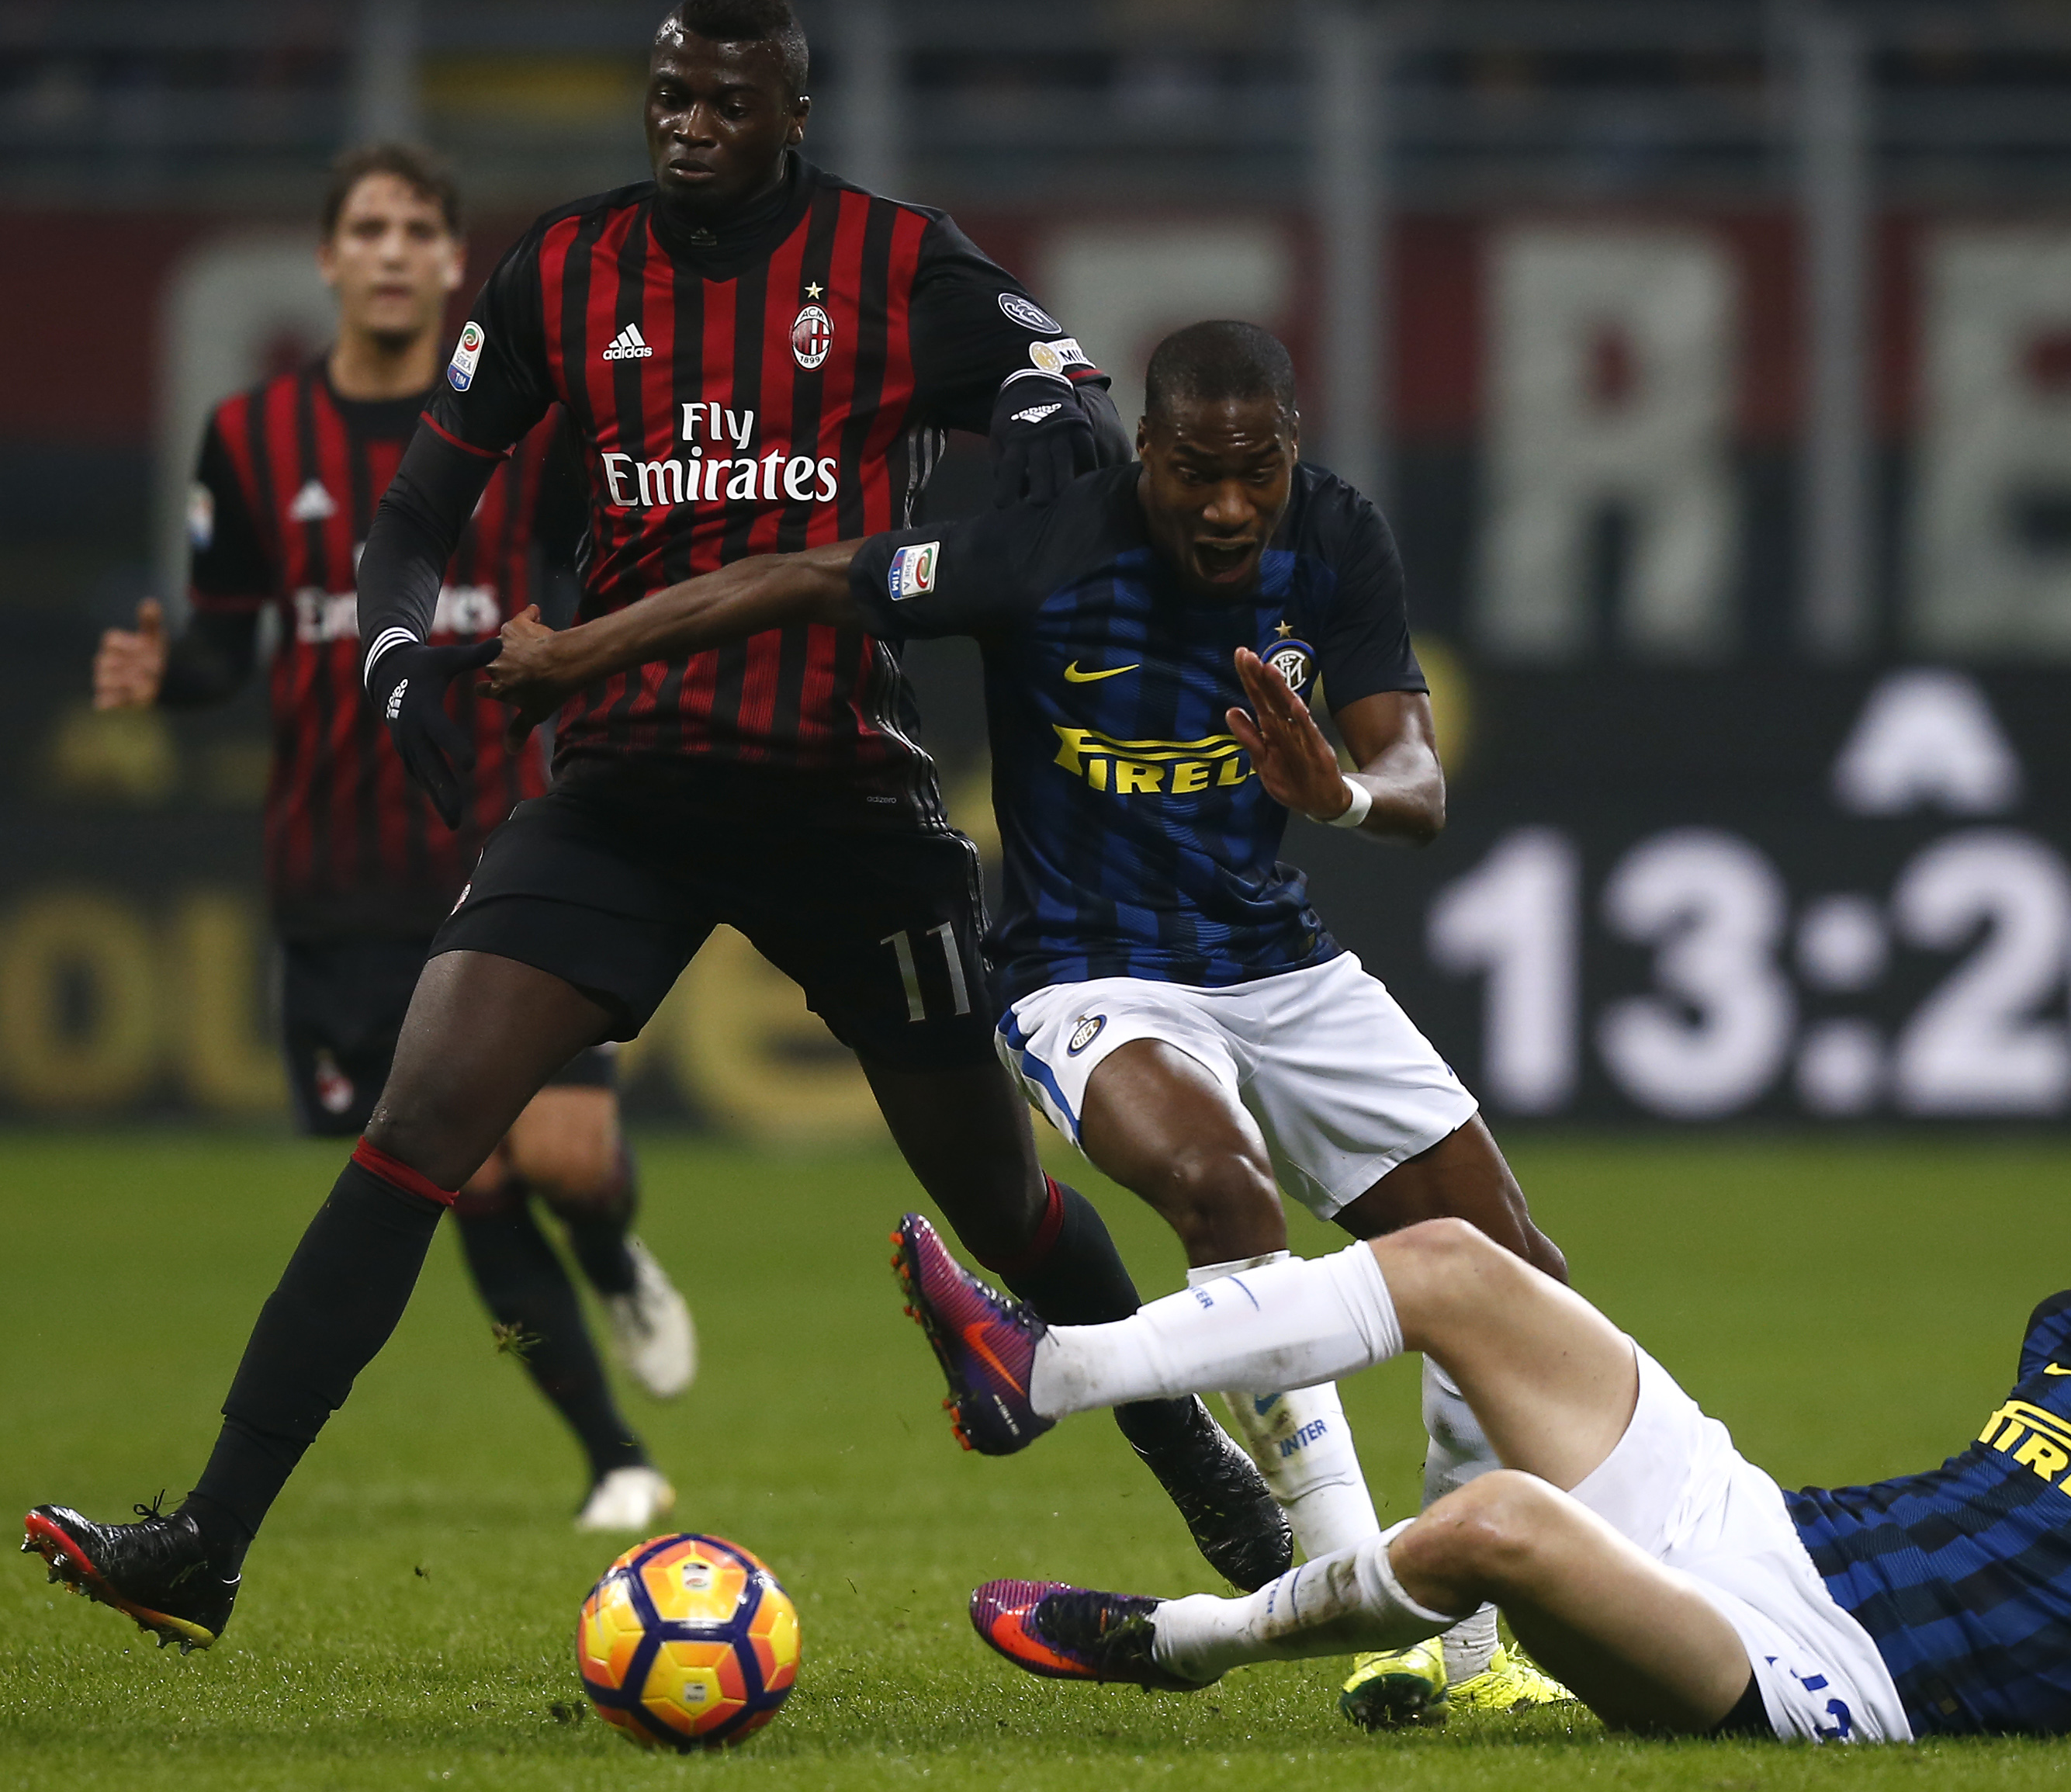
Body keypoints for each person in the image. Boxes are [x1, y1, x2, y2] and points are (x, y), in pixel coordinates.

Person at [21, 0, 1278, 1653]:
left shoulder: (898, 264)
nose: (688, 126)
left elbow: (1063, 382)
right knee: (419, 1128)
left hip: (843, 794)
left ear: (793, 116)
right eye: (669, 97)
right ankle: (210, 1541)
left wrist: (1051, 407)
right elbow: (414, 519)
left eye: (724, 103)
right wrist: (397, 646)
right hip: (621, 788)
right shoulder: (564, 269)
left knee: (999, 1200)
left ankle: (1200, 1467)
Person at [477, 321, 1574, 1724]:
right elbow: (804, 575)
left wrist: (1340, 800)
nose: (1230, 506)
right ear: (1149, 455)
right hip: (1088, 972)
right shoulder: (1043, 546)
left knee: (1516, 1275)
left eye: (1258, 471)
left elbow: (1412, 776)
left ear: (1292, 450)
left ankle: (1460, 1651)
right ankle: (1356, 1584)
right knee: (1218, 1188)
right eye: (1195, 473)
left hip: (1280, 967)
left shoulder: (1338, 538)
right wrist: (579, 655)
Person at [893, 1135, 2071, 1742]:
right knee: (1451, 1265)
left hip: (1818, 1680)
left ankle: (1183, 1649)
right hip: (1756, 1521)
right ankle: (1039, 1372)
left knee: (1501, 1518)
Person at [88, 140, 694, 1533]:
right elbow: (230, 644)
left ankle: (610, 1254)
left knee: (568, 1164)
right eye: (368, 226)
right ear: (329, 257)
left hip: (508, 845)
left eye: (421, 229)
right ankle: (613, 1455)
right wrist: (162, 674)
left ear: (449, 260)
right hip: (340, 879)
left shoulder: (521, 427)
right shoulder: (249, 440)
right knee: (466, 1177)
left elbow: (572, 573)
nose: (394, 251)